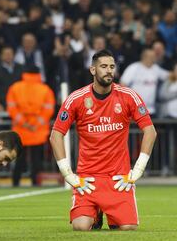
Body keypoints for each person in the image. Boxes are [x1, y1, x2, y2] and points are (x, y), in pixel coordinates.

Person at [50, 49, 157, 231]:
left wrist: (138, 169)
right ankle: (95, 213)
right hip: (88, 179)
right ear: (93, 70)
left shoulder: (128, 96)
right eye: (103, 66)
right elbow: (55, 135)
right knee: (80, 227)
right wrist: (68, 174)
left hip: (118, 178)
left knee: (128, 228)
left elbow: (150, 131)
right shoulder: (76, 99)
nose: (109, 70)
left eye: (112, 67)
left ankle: (107, 212)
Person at [6, 65, 55, 186]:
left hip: (20, 129)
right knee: (36, 159)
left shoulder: (15, 88)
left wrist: (24, 123)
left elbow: (12, 108)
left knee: (19, 159)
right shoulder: (45, 89)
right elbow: (48, 110)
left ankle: (15, 182)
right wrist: (35, 124)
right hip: (38, 130)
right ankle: (35, 183)